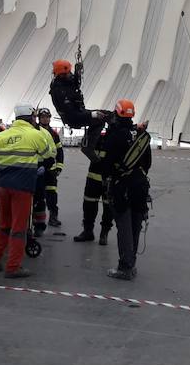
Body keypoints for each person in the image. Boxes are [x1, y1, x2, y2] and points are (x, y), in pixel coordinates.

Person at [0, 103, 55, 278]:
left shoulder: (1, 136)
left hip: (3, 186)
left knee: (3, 224)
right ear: (31, 117)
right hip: (23, 188)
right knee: (19, 228)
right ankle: (13, 267)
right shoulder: (36, 135)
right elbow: (49, 157)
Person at [100, 99, 152, 280]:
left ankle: (125, 267)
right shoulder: (140, 135)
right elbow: (147, 163)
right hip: (140, 185)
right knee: (136, 225)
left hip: (121, 186)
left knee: (124, 227)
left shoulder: (114, 136)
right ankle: (132, 263)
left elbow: (105, 164)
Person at [49, 59, 108, 162]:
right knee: (102, 117)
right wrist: (92, 115)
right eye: (68, 73)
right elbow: (72, 115)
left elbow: (75, 84)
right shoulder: (60, 92)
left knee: (106, 114)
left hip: (79, 112)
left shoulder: (66, 83)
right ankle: (88, 147)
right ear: (61, 75)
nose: (70, 75)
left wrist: (78, 72)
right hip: (74, 118)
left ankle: (89, 145)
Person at [73, 136, 114, 245]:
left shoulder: (118, 136)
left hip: (110, 179)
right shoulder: (97, 136)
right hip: (93, 177)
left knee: (108, 206)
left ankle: (104, 233)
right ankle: (88, 231)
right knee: (88, 204)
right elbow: (86, 146)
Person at [37, 108, 64, 228]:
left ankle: (53, 217)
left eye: (47, 117)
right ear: (39, 118)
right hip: (39, 169)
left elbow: (59, 151)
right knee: (38, 195)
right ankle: (37, 220)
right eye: (42, 117)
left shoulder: (54, 134)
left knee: (52, 194)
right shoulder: (35, 132)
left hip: (51, 170)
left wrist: (59, 166)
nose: (45, 119)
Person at [31, 117, 57, 237]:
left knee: (39, 200)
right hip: (23, 171)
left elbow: (52, 153)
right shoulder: (20, 132)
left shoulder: (44, 133)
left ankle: (39, 226)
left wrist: (45, 167)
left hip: (38, 171)